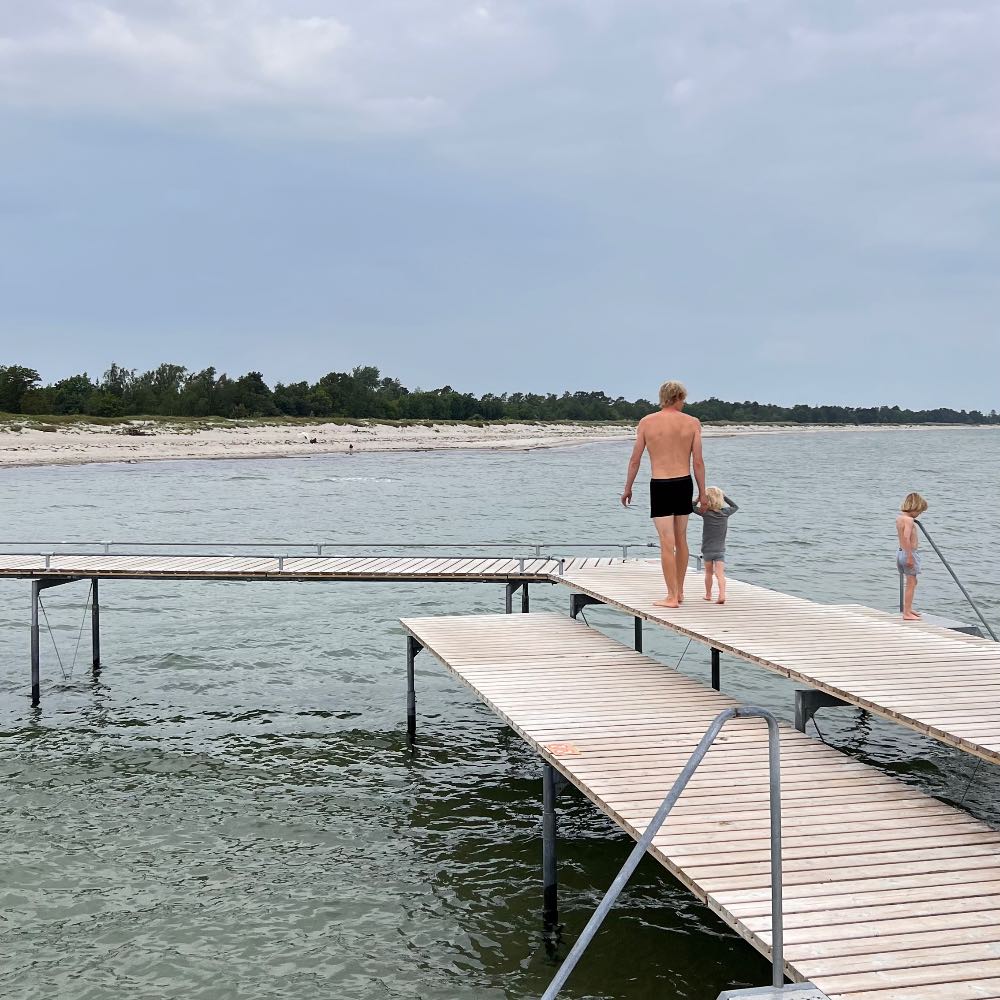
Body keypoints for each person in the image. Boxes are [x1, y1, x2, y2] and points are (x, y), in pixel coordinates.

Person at [621, 380, 706, 608]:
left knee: (666, 542)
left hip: (660, 485)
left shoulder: (647, 422)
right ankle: (679, 592)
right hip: (683, 483)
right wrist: (703, 492)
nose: (684, 403)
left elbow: (635, 459)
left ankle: (671, 596)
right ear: (678, 396)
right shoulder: (692, 423)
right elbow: (697, 462)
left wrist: (628, 488)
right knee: (681, 539)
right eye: (683, 399)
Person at [692, 486, 738, 605]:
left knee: (708, 573)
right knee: (720, 574)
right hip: (720, 550)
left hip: (707, 549)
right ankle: (722, 595)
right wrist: (724, 496)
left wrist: (698, 498)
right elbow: (735, 507)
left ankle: (708, 595)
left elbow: (690, 507)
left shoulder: (705, 512)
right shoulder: (725, 513)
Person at [897, 492, 928, 621]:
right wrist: (910, 557)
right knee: (911, 583)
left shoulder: (900, 518)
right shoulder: (909, 521)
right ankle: (906, 613)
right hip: (908, 553)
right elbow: (906, 537)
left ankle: (908, 609)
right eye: (919, 512)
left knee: (912, 582)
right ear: (914, 508)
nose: (919, 515)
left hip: (900, 552)